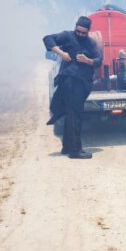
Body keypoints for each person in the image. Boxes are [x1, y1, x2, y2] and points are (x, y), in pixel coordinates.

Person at [43, 16, 102, 159]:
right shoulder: (68, 36)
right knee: (75, 115)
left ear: (88, 31)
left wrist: (88, 60)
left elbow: (99, 60)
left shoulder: (91, 43)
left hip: (82, 83)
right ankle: (75, 150)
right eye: (78, 31)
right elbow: (47, 39)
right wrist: (61, 53)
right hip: (69, 81)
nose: (80, 34)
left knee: (71, 113)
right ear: (75, 27)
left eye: (84, 32)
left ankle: (67, 147)